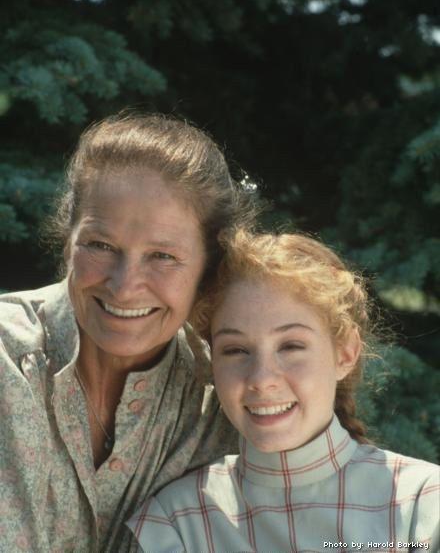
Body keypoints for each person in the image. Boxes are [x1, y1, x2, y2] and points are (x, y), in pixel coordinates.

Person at [0, 111, 255, 552]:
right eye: (100, 246)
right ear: (69, 241)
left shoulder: (222, 398)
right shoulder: (8, 360)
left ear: (208, 268)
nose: (124, 285)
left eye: (162, 256)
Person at [129, 229, 439, 553]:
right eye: (235, 350)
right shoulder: (175, 522)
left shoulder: (423, 506)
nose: (262, 379)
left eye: (291, 346)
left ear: (345, 354)